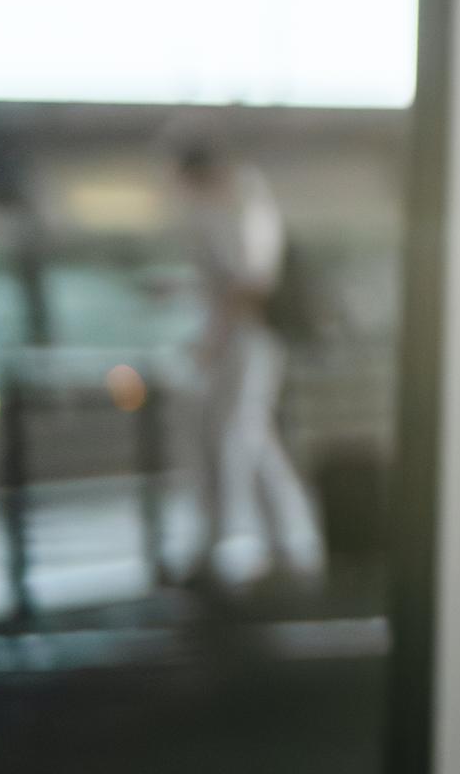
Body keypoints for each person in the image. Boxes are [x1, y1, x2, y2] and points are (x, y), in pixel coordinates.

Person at [165, 125, 325, 592]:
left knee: (236, 433)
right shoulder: (230, 202)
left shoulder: (240, 201)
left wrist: (213, 340)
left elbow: (245, 283)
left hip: (251, 339)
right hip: (243, 337)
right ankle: (291, 539)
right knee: (251, 435)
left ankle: (236, 540)